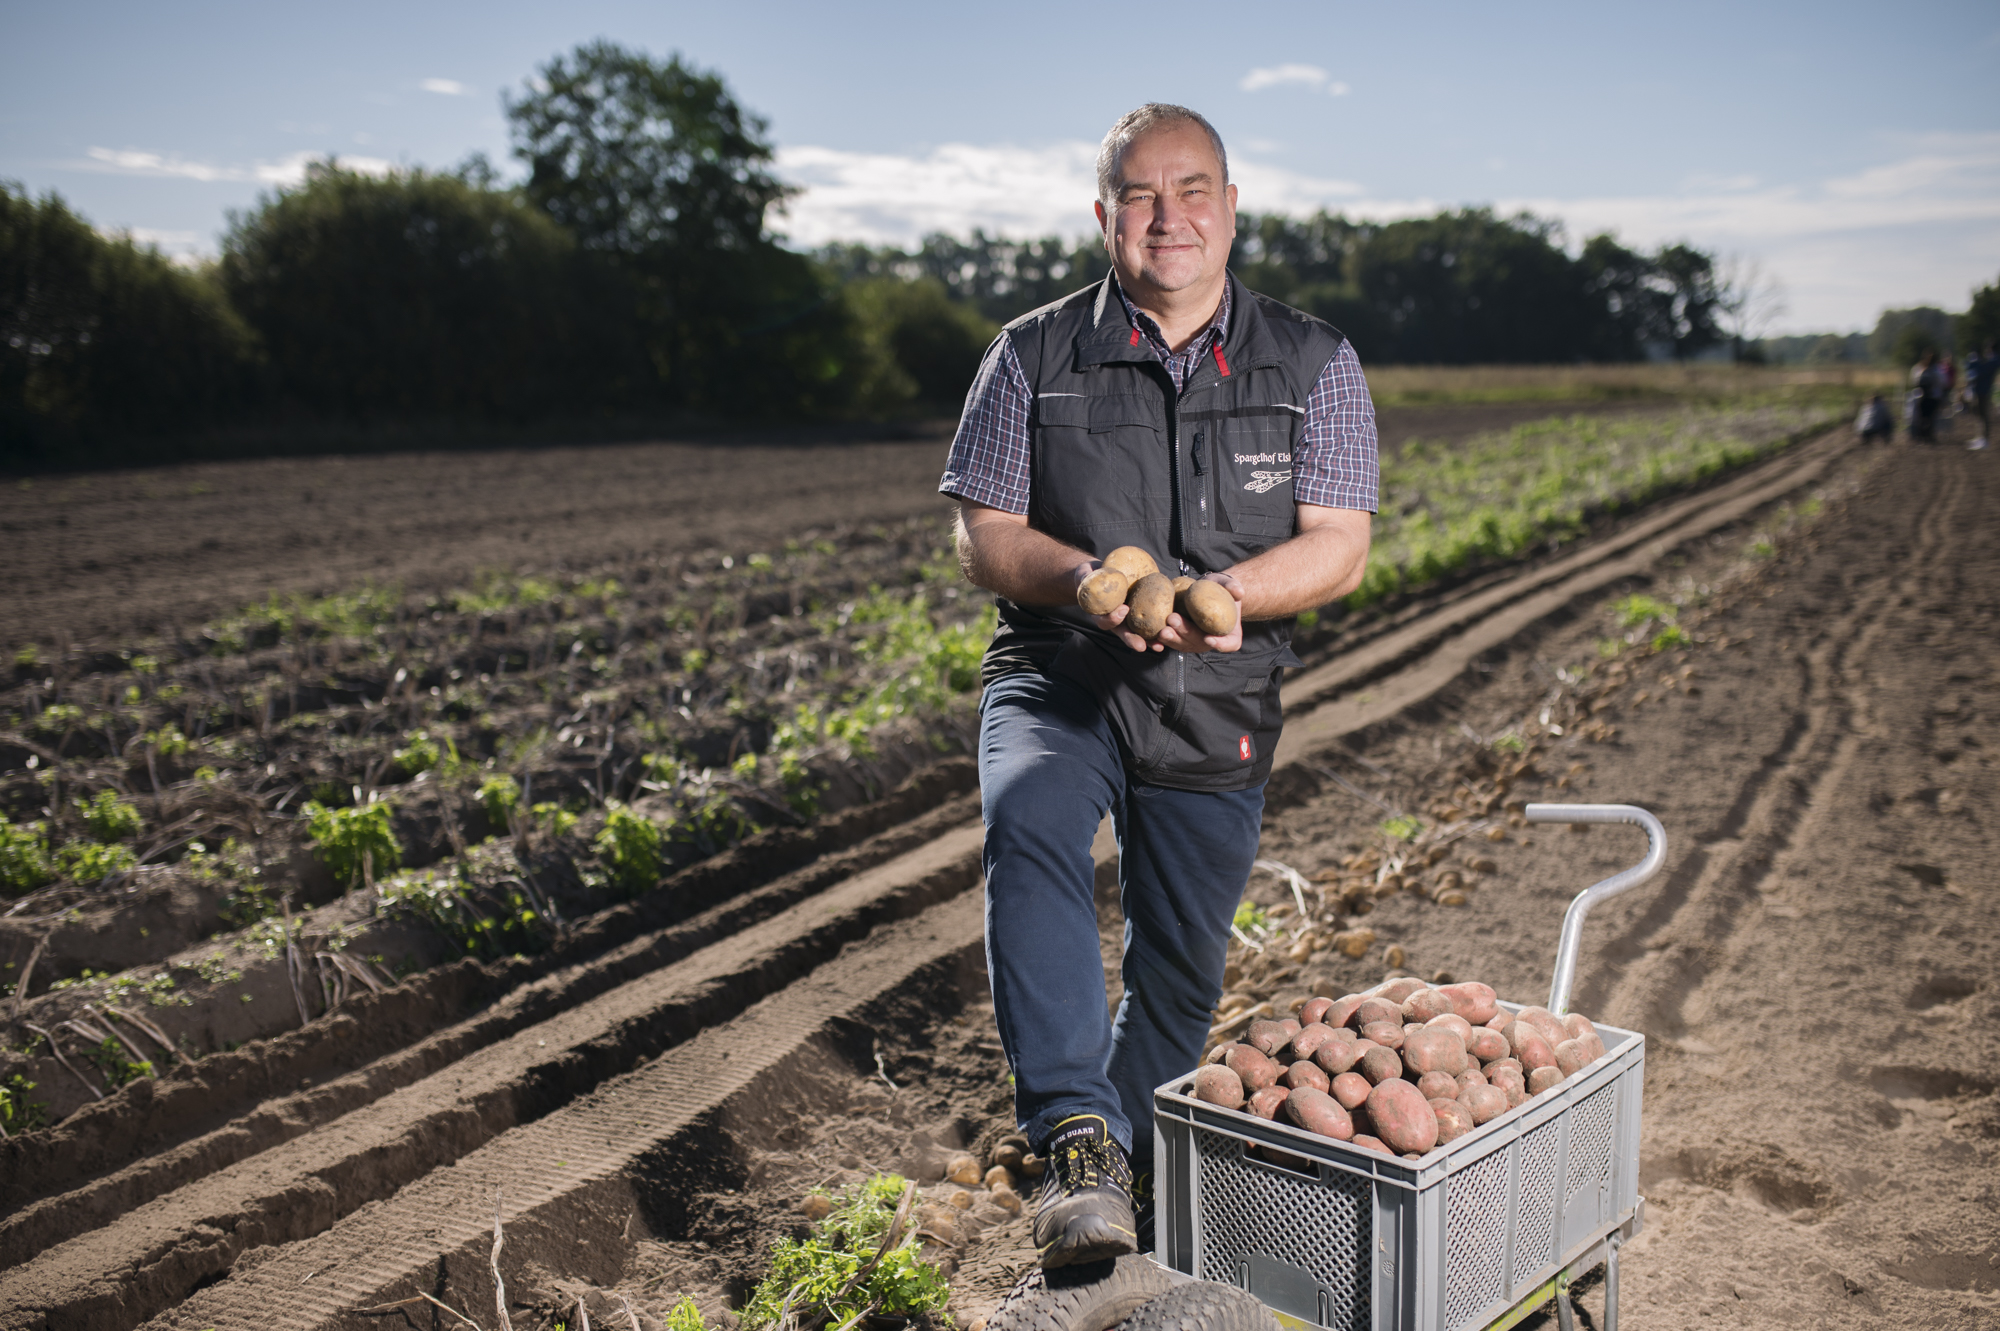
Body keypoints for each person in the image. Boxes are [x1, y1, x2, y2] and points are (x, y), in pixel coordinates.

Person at [938, 103, 1378, 1268]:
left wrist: (1220, 591)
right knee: (1028, 815)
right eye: (1139, 194)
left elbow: (1338, 538)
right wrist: (1086, 582)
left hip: (1217, 695)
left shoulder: (1314, 362)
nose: (1166, 215)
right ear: (1103, 218)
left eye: (1192, 191)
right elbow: (984, 535)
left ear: (1231, 210)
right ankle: (1072, 1138)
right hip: (1060, 671)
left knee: (1180, 968)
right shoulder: (1029, 352)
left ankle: (1116, 1173)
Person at [1966, 341, 1996, 450]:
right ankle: (1980, 437)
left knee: (1984, 416)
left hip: (1984, 391)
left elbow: (1980, 372)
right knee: (1980, 415)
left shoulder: (1993, 360)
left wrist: (1976, 362)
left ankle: (1984, 440)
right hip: (1979, 391)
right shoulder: (1989, 360)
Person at [1908, 350, 1941, 442]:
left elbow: (1913, 382)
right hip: (1933, 396)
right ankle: (1928, 435)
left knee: (1921, 417)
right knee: (1931, 417)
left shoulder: (1918, 368)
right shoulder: (1937, 369)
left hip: (1920, 396)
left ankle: (1920, 435)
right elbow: (1942, 382)